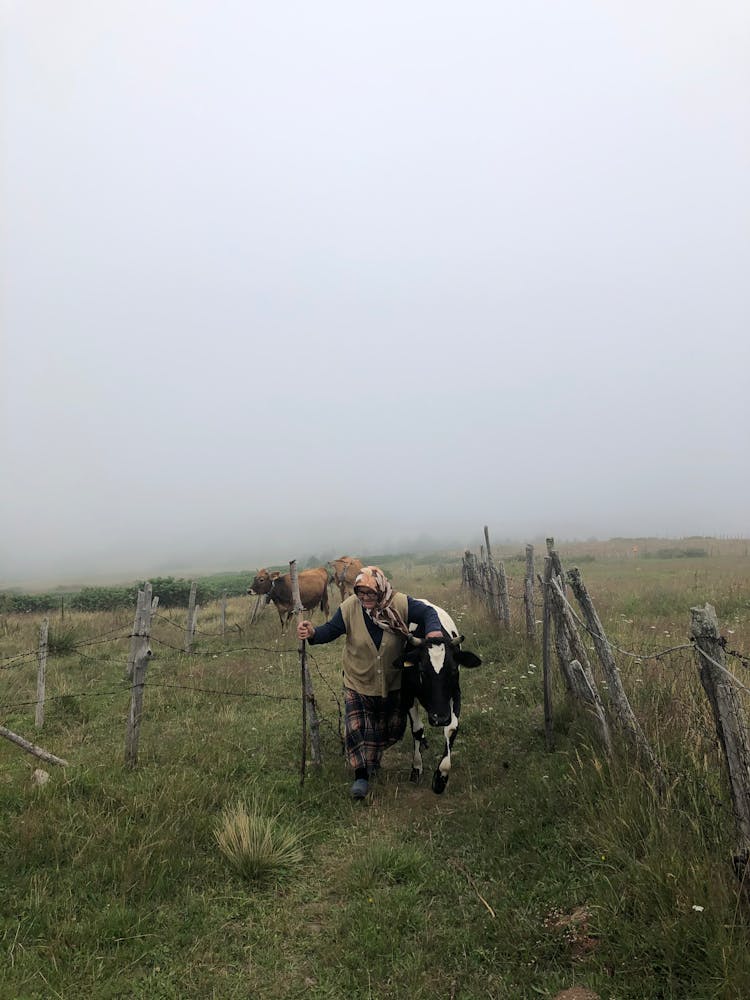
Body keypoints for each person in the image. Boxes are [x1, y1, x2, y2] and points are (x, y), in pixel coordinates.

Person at [297, 565, 443, 799]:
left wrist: (434, 631)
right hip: (358, 680)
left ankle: (372, 758)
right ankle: (361, 775)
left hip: (392, 682)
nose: (364, 597)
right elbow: (330, 631)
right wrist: (313, 633)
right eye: (360, 592)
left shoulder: (400, 604)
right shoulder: (349, 608)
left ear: (381, 589)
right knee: (357, 729)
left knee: (391, 729)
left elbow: (428, 613)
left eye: (370, 593)